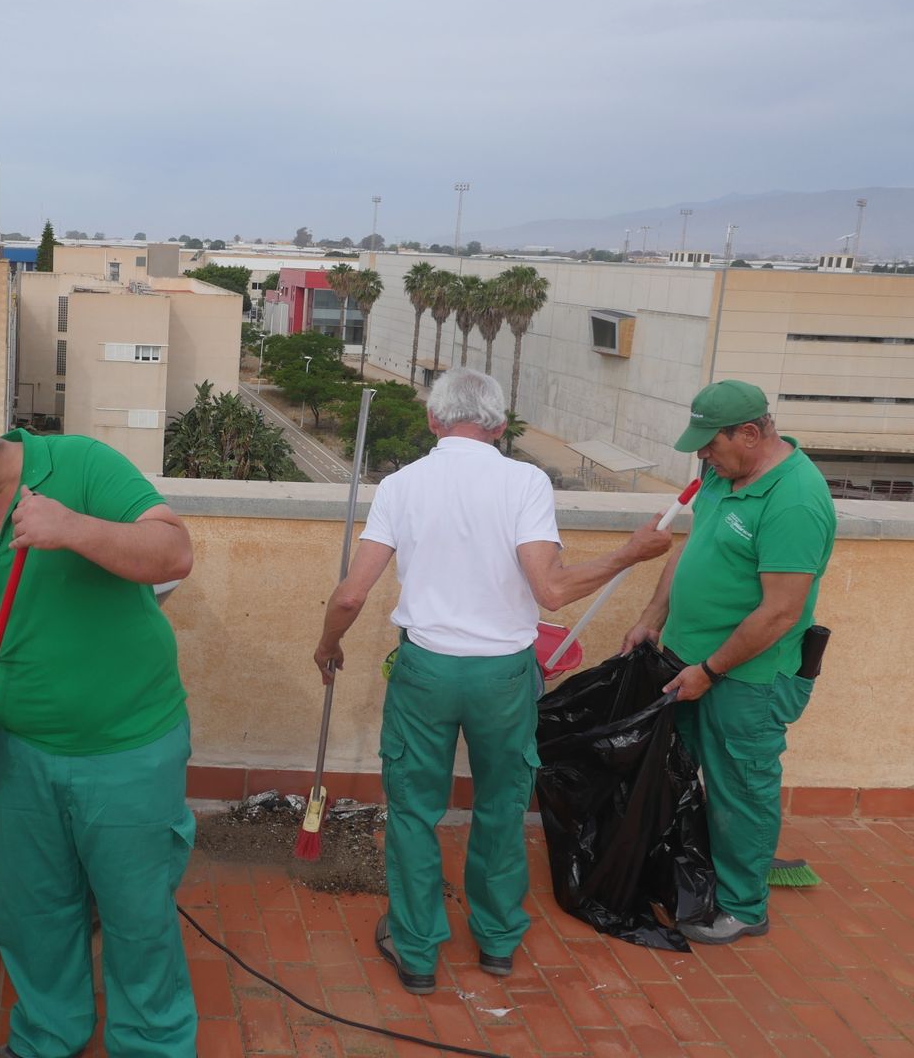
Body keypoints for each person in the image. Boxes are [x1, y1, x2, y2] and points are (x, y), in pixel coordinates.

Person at [311, 368, 672, 995]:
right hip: (505, 676)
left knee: (414, 813)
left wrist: (328, 646)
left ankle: (418, 952)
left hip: (426, 672)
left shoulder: (401, 484)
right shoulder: (524, 480)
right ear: (501, 426)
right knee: (502, 808)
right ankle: (498, 943)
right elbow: (552, 590)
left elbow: (350, 594)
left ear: (433, 420)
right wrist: (627, 555)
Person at [0, 387, 197, 1058]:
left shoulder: (79, 465)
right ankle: (50, 1035)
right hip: (16, 757)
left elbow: (173, 554)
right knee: (34, 913)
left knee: (137, 917)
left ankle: (153, 1044)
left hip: (127, 749)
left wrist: (73, 529)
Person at [623, 380, 835, 945]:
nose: (701, 455)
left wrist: (711, 670)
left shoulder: (795, 500)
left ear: (750, 432)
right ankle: (702, 875)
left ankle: (744, 905)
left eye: (709, 443)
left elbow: (780, 612)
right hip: (688, 662)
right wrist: (652, 615)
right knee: (683, 774)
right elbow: (694, 551)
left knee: (741, 786)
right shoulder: (723, 474)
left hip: (748, 677)